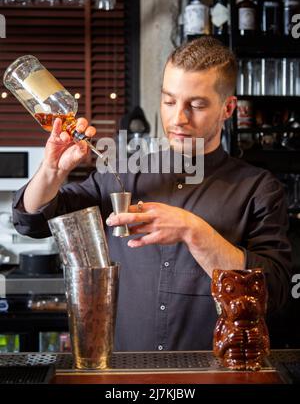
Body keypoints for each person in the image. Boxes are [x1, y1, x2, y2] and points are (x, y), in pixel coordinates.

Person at [12, 37, 291, 352]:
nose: (178, 119)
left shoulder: (258, 189)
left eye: (196, 105)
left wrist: (193, 231)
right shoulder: (122, 174)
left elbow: (276, 292)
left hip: (216, 374)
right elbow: (32, 222)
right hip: (124, 374)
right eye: (169, 101)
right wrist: (52, 169)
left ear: (227, 108)